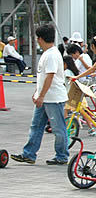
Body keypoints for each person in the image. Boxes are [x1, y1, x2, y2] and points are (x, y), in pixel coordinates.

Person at [11, 25, 69, 165]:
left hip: (53, 98)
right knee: (36, 125)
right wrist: (37, 93)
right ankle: (29, 154)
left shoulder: (52, 55)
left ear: (41, 39)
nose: (37, 40)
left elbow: (50, 77)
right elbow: (43, 78)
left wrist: (41, 95)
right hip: (44, 98)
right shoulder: (48, 53)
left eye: (37, 38)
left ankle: (62, 156)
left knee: (58, 128)